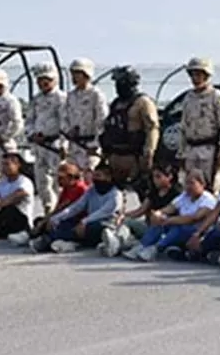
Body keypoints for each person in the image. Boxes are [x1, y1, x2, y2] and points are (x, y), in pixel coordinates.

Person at [28, 162, 124, 253]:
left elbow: (105, 211)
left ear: (108, 178)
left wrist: (84, 221)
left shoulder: (116, 194)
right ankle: (63, 240)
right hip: (85, 223)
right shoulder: (91, 190)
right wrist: (56, 218)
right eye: (94, 175)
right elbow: (76, 207)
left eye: (98, 176)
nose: (95, 179)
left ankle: (49, 239)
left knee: (92, 228)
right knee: (60, 224)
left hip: (104, 224)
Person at [127, 169, 218, 262]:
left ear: (202, 184)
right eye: (186, 183)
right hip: (180, 226)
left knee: (179, 228)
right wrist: (158, 214)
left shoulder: (208, 199)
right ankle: (142, 245)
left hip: (197, 232)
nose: (188, 187)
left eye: (192, 183)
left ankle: (156, 248)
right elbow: (170, 208)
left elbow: (194, 218)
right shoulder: (185, 196)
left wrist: (168, 220)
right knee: (160, 224)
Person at [101, 66, 160, 196]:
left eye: (121, 82)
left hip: (134, 156)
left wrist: (149, 152)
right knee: (115, 193)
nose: (118, 86)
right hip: (116, 154)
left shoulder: (142, 102)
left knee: (143, 191)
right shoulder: (116, 103)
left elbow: (152, 128)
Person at [179, 57, 220, 194]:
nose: (195, 78)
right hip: (191, 149)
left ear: (206, 75)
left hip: (209, 149)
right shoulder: (188, 98)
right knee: (190, 186)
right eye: (193, 75)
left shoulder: (216, 96)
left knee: (209, 187)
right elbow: (183, 126)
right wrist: (181, 152)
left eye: (198, 74)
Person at [9, 161, 88, 246]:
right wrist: (45, 220)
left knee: (57, 225)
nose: (58, 180)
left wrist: (48, 220)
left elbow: (65, 208)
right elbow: (58, 207)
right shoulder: (67, 188)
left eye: (61, 178)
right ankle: (31, 235)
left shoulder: (80, 188)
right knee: (38, 220)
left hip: (76, 218)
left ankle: (37, 238)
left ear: (70, 177)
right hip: (65, 216)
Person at [26, 63, 68, 215]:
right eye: (40, 80)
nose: (43, 83)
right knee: (42, 181)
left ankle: (61, 212)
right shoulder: (36, 99)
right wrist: (32, 134)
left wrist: (64, 144)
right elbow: (29, 120)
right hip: (40, 146)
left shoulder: (61, 98)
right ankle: (48, 211)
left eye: (47, 80)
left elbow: (65, 123)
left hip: (55, 145)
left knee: (59, 180)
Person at [119, 163, 182, 254]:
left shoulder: (177, 193)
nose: (155, 180)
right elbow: (140, 210)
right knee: (127, 221)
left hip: (165, 228)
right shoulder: (153, 192)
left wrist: (160, 215)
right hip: (149, 226)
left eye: (158, 177)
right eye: (153, 177)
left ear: (169, 177)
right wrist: (123, 215)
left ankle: (137, 245)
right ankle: (120, 241)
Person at [63, 58, 108, 173]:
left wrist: (96, 144)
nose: (74, 77)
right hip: (74, 146)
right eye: (73, 73)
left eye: (77, 73)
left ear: (86, 74)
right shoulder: (71, 96)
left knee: (89, 175)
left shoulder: (96, 95)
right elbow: (65, 118)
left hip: (90, 146)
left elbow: (102, 120)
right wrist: (68, 132)